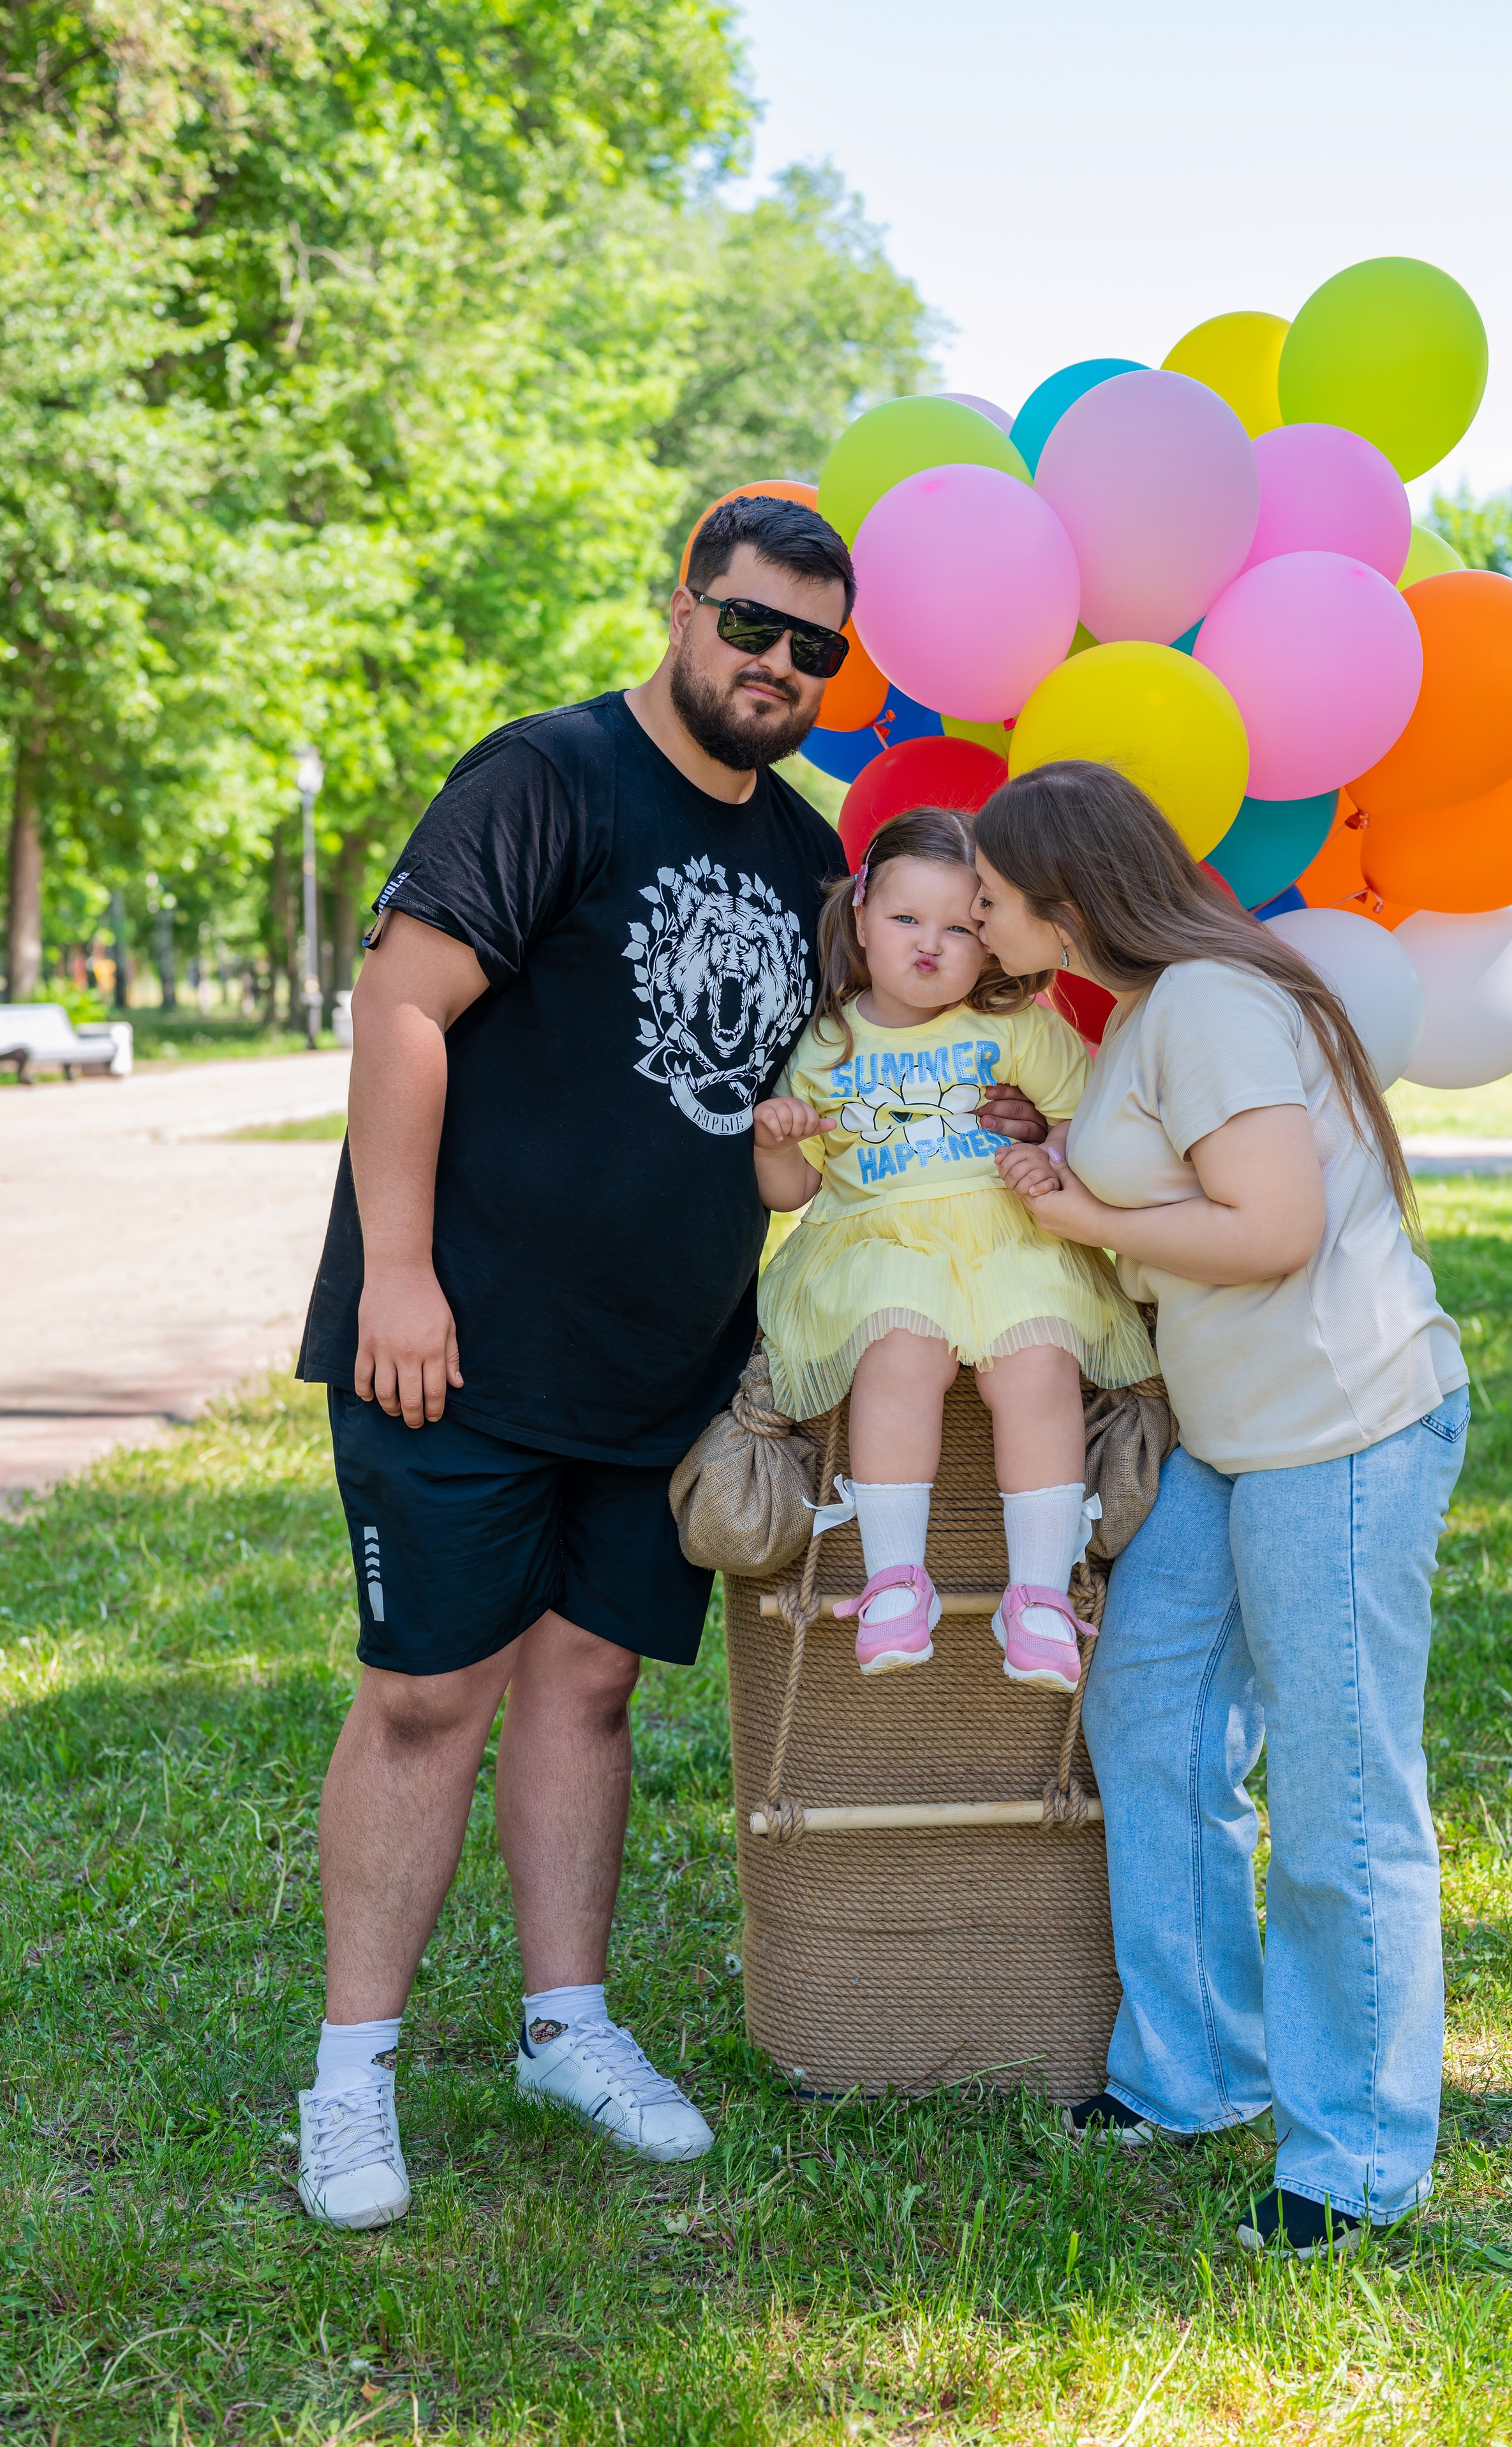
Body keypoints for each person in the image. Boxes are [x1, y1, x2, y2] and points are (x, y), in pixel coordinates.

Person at [287, 495, 1046, 2229]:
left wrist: (1007, 1116)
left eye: (813, 647)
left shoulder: (801, 862)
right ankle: (350, 2076)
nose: (775, 662)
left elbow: (870, 1060)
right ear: (688, 602)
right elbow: (402, 1007)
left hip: (670, 1364)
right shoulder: (542, 777)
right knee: (425, 1698)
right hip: (457, 1345)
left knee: (592, 1686)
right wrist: (395, 1271)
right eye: (750, 621)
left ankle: (570, 2024)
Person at [971, 760, 1469, 2261]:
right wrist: (1074, 1167)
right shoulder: (1138, 1013)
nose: (976, 910)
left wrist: (1081, 1214)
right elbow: (1188, 1203)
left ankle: (1357, 2159)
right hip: (1235, 1436)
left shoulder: (1205, 1001)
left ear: (1060, 897)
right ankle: (1195, 2073)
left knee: (1340, 1798)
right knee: (1149, 1715)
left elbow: (1269, 1226)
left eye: (989, 892)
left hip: (1340, 1430)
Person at [752, 807, 1155, 1689]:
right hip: (880, 1241)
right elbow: (792, 1190)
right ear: (860, 918)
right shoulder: (827, 1042)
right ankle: (897, 1578)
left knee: (1038, 1360)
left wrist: (1047, 1142)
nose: (930, 946)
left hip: (1005, 1239)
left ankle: (1040, 1599)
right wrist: (777, 1140)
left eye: (962, 927)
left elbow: (1095, 1122)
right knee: (899, 1350)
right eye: (906, 921)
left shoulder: (1015, 1027)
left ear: (994, 941)